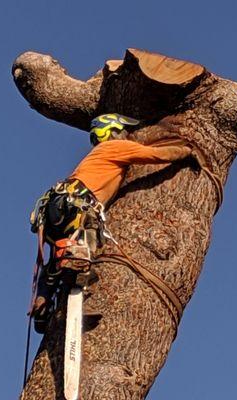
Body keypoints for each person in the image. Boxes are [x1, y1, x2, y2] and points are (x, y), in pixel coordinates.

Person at [30, 113, 194, 332]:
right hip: (77, 206)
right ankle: (74, 297)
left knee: (55, 262)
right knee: (80, 253)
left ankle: (43, 302)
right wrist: (187, 152)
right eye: (124, 131)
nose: (127, 135)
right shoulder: (114, 147)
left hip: (58, 208)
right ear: (112, 132)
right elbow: (156, 155)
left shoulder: (95, 157)